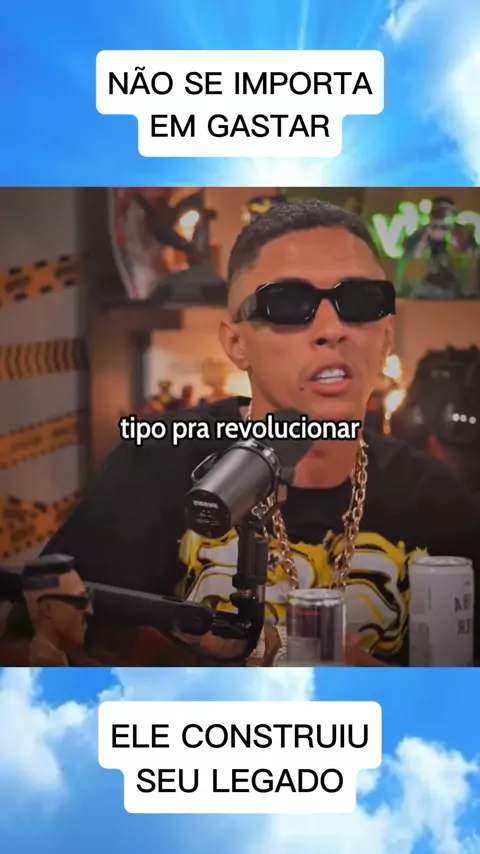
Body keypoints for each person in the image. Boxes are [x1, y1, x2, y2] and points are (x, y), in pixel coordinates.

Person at [42, 200, 480, 667]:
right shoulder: (157, 461)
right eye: (289, 305)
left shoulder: (432, 496)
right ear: (236, 343)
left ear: (386, 338)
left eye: (360, 302)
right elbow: (39, 639)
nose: (332, 330)